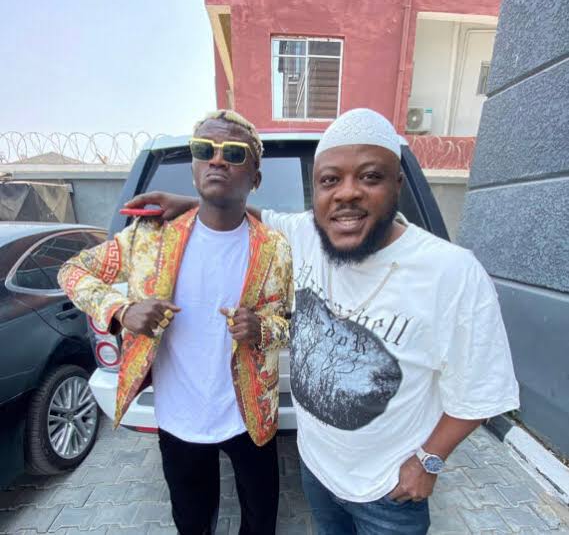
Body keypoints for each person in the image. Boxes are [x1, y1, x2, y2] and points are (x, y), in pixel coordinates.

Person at [126, 108, 519, 535]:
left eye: (370, 177)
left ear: (398, 184)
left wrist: (428, 462)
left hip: (388, 490)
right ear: (316, 190)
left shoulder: (452, 272)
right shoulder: (306, 233)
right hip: (317, 472)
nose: (347, 193)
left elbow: (481, 392)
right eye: (330, 180)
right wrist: (189, 204)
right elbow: (246, 214)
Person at [58, 110, 294, 535]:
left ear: (255, 179)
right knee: (191, 523)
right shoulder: (149, 237)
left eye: (234, 153)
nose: (217, 160)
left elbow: (289, 322)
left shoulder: (274, 247)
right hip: (179, 418)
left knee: (260, 524)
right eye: (204, 150)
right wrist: (122, 310)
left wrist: (263, 329)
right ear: (194, 167)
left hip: (250, 415)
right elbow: (72, 272)